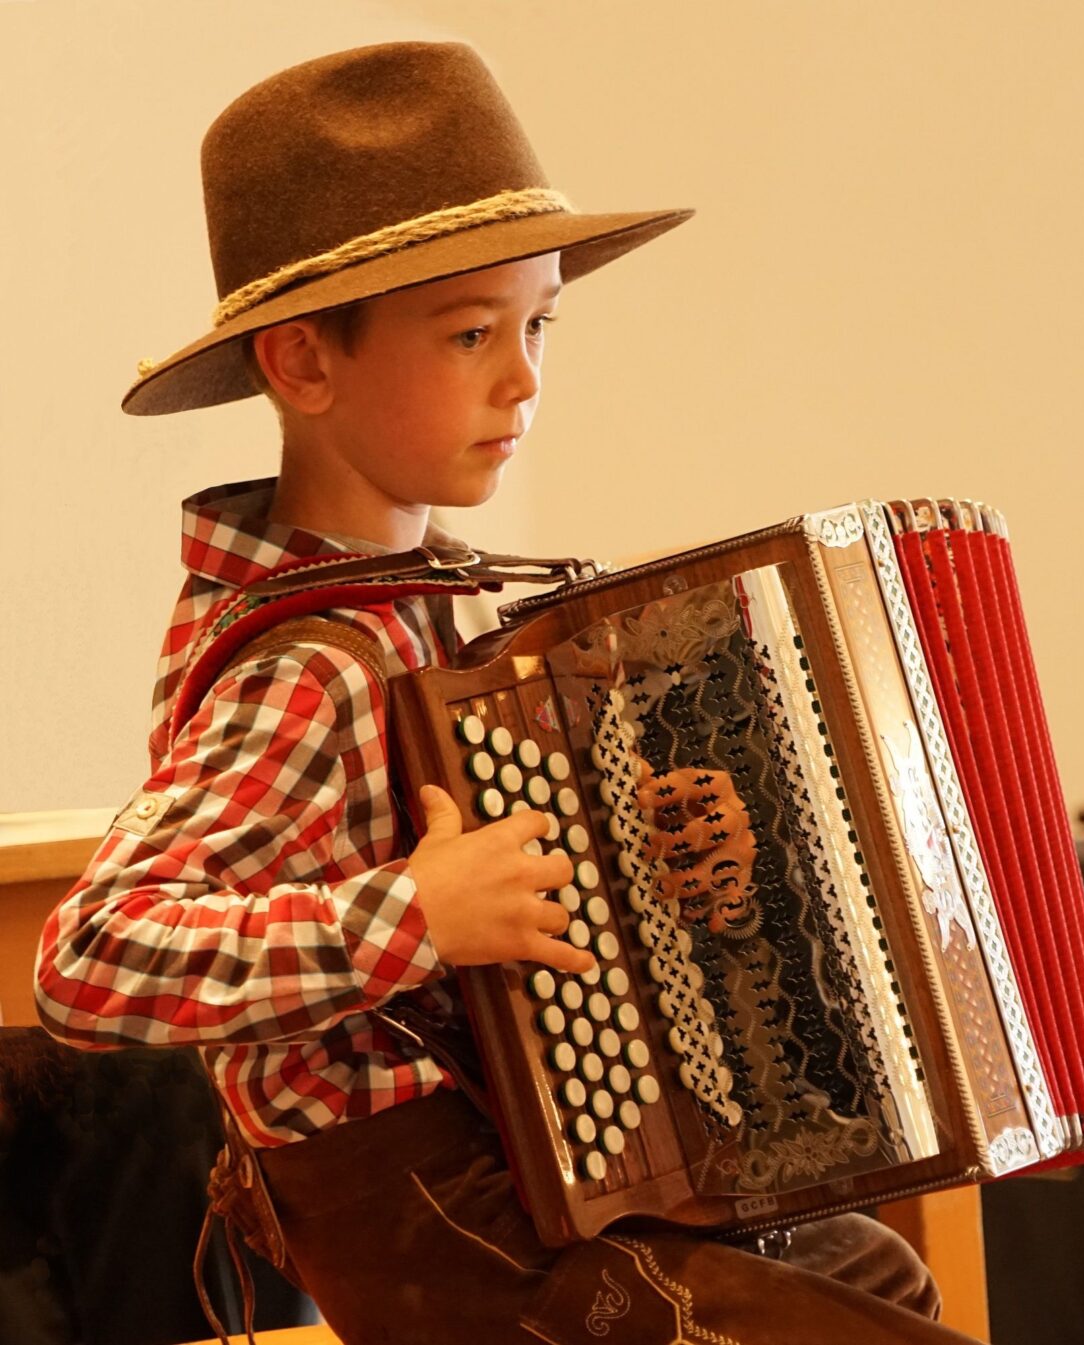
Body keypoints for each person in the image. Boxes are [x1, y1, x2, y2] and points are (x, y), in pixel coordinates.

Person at [35, 41, 981, 1345]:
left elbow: (495, 871)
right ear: (305, 365)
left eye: (538, 324)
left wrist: (630, 862)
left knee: (873, 1275)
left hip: (531, 1145)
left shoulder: (432, 597)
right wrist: (413, 913)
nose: (524, 377)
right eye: (473, 331)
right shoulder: (307, 665)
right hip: (424, 1212)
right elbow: (92, 961)